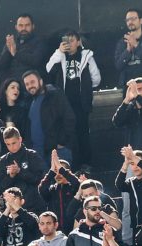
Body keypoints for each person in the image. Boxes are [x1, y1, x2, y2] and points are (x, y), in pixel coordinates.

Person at [45, 30, 100, 169]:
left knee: (83, 133)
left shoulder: (86, 56)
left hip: (81, 103)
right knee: (68, 134)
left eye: (72, 40)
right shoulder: (60, 56)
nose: (69, 43)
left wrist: (86, 88)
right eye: (66, 40)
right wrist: (59, 52)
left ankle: (86, 164)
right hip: (64, 103)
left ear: (78, 42)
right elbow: (48, 69)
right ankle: (71, 165)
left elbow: (96, 79)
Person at [115, 8, 142, 87]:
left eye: (133, 19)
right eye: (127, 20)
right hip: (128, 86)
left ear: (141, 21)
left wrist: (136, 45)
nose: (130, 22)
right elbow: (118, 66)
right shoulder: (122, 42)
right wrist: (128, 51)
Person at [0, 14, 47, 85]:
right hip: (14, 86)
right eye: (20, 25)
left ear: (33, 26)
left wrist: (16, 53)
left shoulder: (40, 41)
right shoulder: (12, 42)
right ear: (16, 27)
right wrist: (8, 49)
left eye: (27, 25)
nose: (24, 28)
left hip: (31, 85)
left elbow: (36, 61)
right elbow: (1, 65)